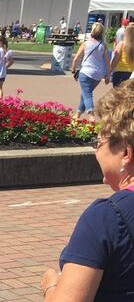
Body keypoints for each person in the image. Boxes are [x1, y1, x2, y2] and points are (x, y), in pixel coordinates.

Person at [40, 80, 134, 301]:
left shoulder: (106, 217)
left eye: (98, 143)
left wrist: (50, 286)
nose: (96, 152)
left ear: (126, 153)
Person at [70, 22, 111, 120]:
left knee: (87, 94)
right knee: (85, 93)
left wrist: (73, 70)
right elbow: (107, 62)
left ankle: (91, 114)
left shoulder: (86, 44)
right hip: (98, 75)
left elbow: (76, 59)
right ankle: (78, 114)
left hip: (86, 72)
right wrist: (108, 75)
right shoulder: (103, 45)